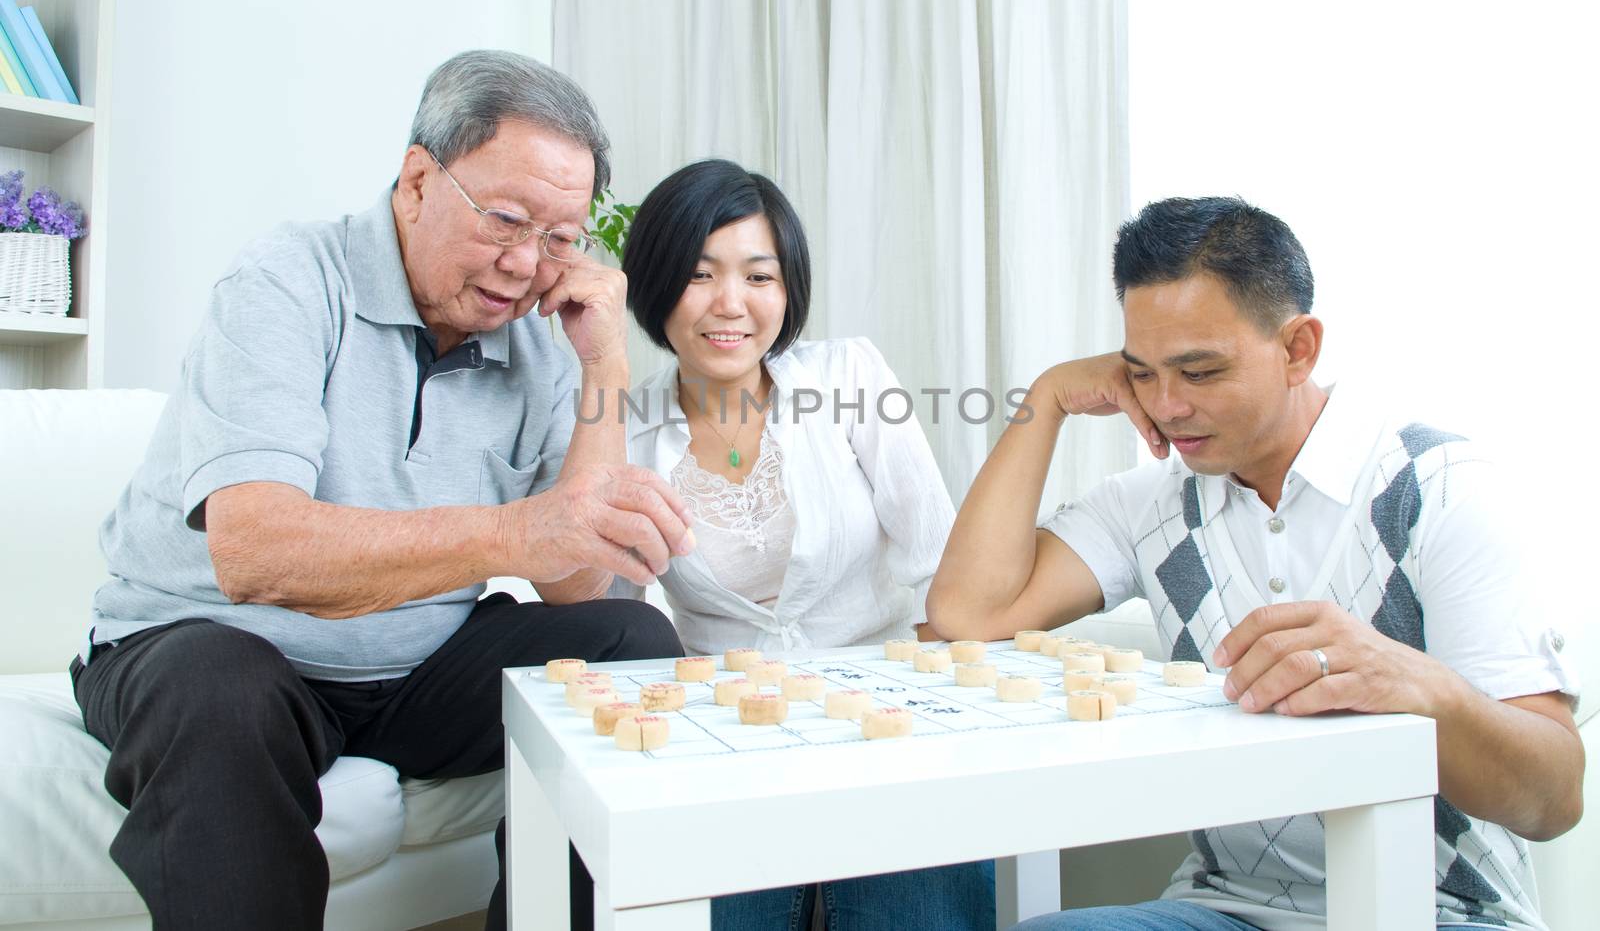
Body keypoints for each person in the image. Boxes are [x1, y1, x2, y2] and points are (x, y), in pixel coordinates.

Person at [72, 50, 696, 931]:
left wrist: (604, 362)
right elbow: (253, 553)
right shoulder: (289, 279)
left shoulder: (544, 339)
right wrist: (520, 533)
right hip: (215, 642)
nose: (528, 266)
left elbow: (573, 580)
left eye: (560, 239)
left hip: (410, 669)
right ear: (415, 180)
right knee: (219, 685)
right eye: (508, 221)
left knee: (629, 637)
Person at [927, 197, 1582, 930]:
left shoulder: (1438, 487)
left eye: (1199, 372)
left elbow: (1553, 797)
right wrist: (1047, 397)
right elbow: (968, 615)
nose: (1168, 407)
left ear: (1299, 348)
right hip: (1225, 909)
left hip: (1442, 911)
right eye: (1141, 374)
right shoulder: (1150, 505)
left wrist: (1421, 687)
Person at [616, 158, 994, 929]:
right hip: (723, 735)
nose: (732, 304)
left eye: (760, 277)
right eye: (698, 275)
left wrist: (919, 716)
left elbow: (942, 567)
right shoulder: (622, 425)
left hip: (883, 716)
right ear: (654, 285)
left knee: (913, 891)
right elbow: (607, 620)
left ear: (787, 292)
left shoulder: (847, 376)